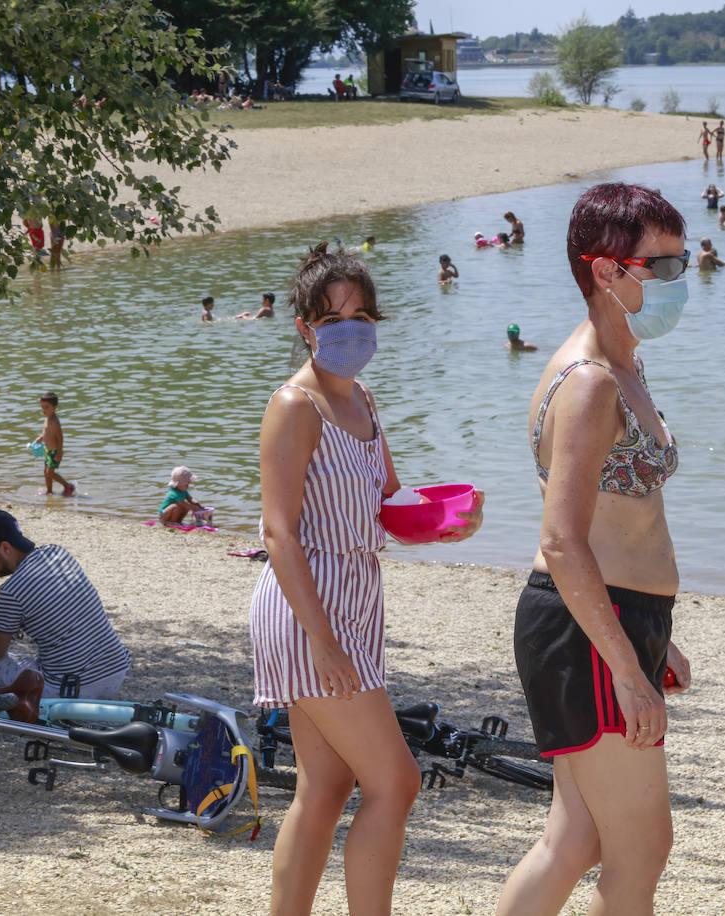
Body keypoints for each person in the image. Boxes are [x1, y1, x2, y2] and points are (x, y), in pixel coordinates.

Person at [249, 242, 484, 915]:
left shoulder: (364, 400)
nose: (352, 329)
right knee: (396, 781)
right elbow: (278, 532)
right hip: (307, 608)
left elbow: (388, 502)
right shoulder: (294, 406)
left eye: (362, 314)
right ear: (305, 327)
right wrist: (322, 640)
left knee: (324, 787)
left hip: (355, 600)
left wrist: (447, 524)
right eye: (334, 318)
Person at [497, 183, 693, 916]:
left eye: (684, 263)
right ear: (607, 271)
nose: (681, 281)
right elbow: (563, 539)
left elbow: (628, 514)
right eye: (664, 267)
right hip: (587, 626)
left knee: (575, 839)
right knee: (643, 847)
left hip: (614, 617)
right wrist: (626, 668)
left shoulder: (626, 365)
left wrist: (655, 638)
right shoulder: (587, 383)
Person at [0, 509, 132, 699]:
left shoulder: (12, 590)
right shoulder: (57, 554)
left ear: (5, 548)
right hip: (115, 671)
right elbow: (27, 609)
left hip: (73, 689)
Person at [33, 391, 76, 496]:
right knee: (46, 472)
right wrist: (41, 438)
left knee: (50, 473)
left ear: (55, 407)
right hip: (48, 450)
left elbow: (59, 438)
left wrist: (59, 453)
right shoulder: (47, 419)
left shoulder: (55, 422)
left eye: (47, 407)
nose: (44, 410)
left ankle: (68, 486)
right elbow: (47, 433)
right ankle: (49, 491)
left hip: (55, 451)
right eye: (42, 407)